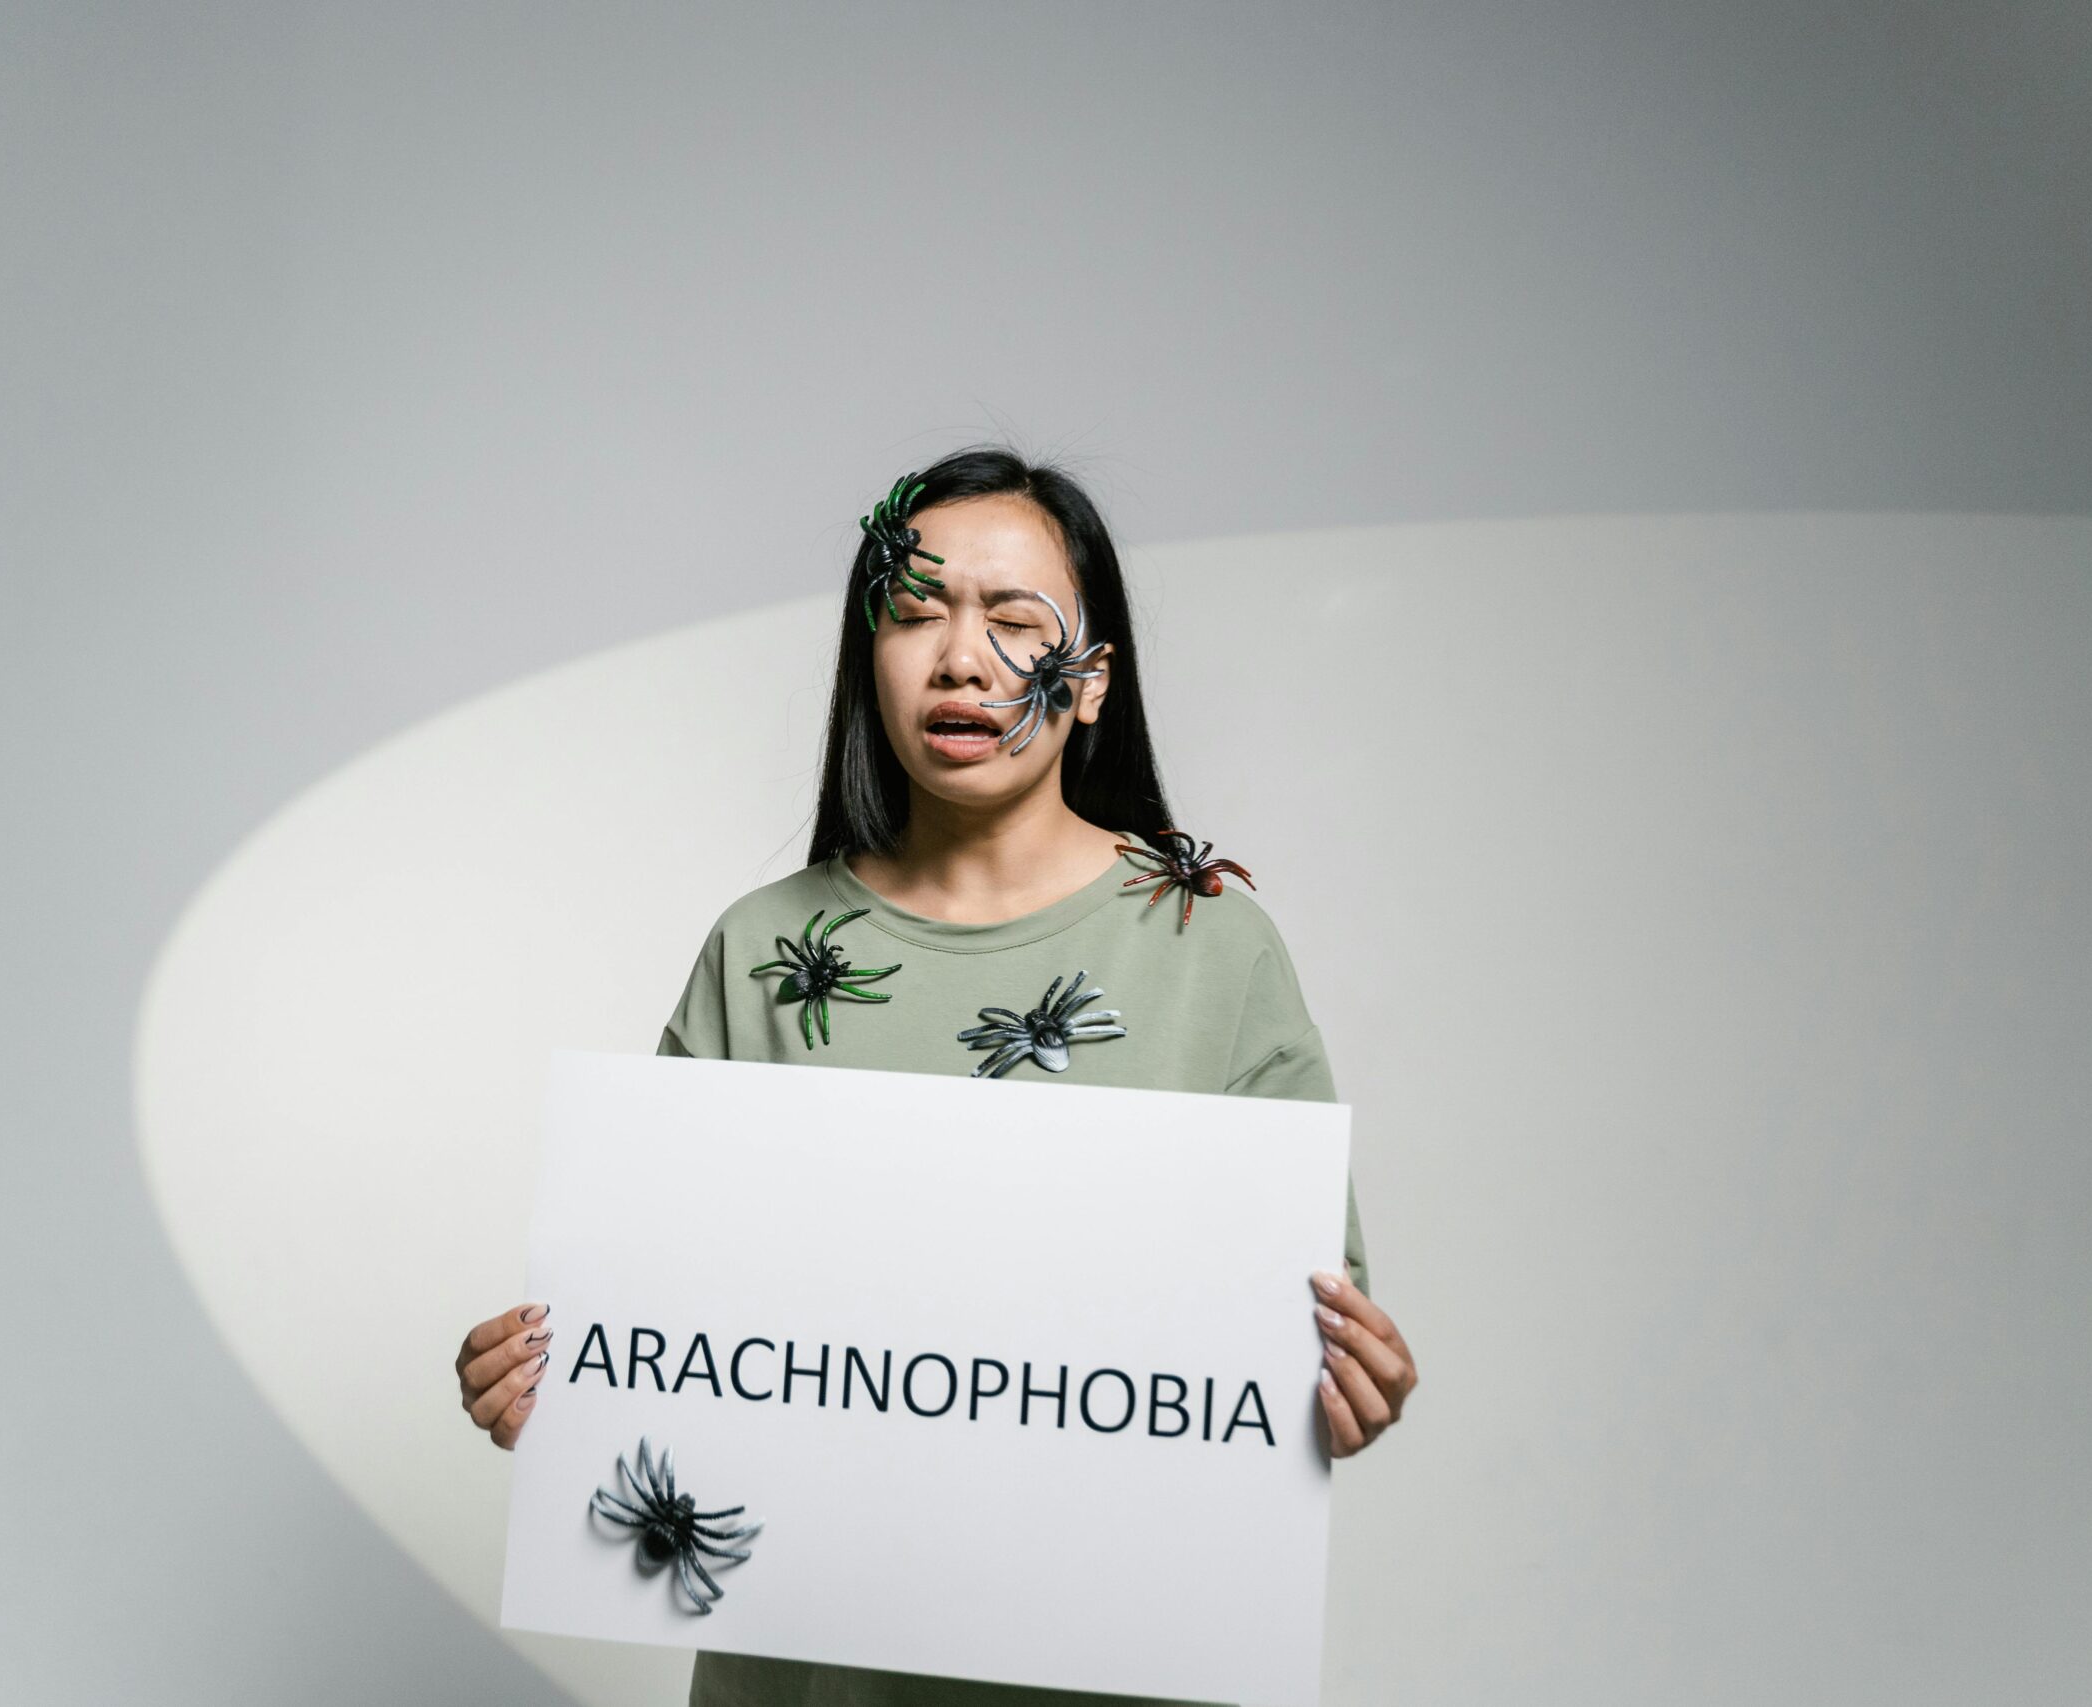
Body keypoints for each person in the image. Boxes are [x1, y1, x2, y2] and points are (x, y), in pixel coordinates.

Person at [454, 444, 1418, 1706]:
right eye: (915, 613)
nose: (962, 659)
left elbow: (1299, 1340)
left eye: (1015, 622)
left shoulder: (1209, 944)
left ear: (1091, 681)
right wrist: (550, 1384)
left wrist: (1344, 1387)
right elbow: (654, 1323)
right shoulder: (760, 952)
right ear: (870, 658)